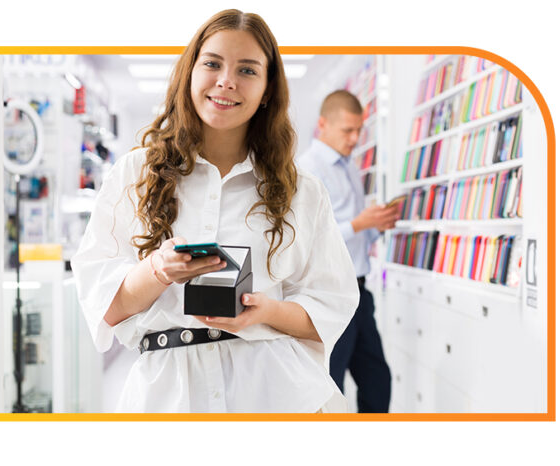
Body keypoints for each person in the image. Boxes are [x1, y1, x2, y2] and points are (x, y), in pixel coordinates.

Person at [71, 9, 359, 413]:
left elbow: (333, 303)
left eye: (247, 70)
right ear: (190, 71)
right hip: (167, 398)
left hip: (276, 394)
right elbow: (104, 304)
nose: (226, 80)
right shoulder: (134, 175)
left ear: (267, 90)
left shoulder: (302, 190)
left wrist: (265, 311)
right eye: (212, 63)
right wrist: (157, 271)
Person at [297, 89, 399, 413]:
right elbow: (308, 241)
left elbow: (351, 233)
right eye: (347, 130)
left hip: (359, 290)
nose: (355, 138)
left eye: (359, 130)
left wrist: (372, 227)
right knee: (331, 382)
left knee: (376, 379)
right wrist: (357, 224)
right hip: (327, 293)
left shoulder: (350, 167)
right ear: (323, 125)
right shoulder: (307, 170)